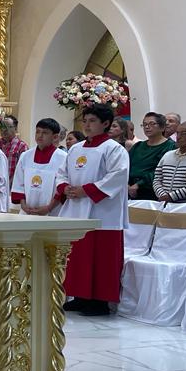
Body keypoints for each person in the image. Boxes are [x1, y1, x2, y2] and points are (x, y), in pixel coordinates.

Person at [56, 103, 130, 316]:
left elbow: (117, 177)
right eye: (85, 121)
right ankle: (79, 296)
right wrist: (66, 188)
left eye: (92, 121)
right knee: (78, 256)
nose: (87, 125)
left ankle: (99, 302)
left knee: (101, 258)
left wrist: (86, 191)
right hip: (76, 209)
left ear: (105, 124)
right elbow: (62, 173)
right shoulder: (76, 148)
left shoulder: (114, 149)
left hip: (103, 213)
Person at [11, 118, 67, 216]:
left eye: (45, 133)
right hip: (27, 211)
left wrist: (49, 208)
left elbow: (62, 187)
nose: (40, 136)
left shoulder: (63, 158)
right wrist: (23, 206)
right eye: (38, 132)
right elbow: (18, 183)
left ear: (55, 137)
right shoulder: (26, 156)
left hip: (52, 212)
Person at [153, 121, 186, 203]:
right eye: (177, 133)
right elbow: (157, 178)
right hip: (163, 204)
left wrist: (171, 197)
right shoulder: (167, 155)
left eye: (184, 133)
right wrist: (162, 196)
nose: (178, 137)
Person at [128, 112, 175, 200]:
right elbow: (127, 165)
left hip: (152, 190)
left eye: (152, 124)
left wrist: (139, 184)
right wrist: (127, 184)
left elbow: (161, 170)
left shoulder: (170, 146)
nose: (147, 127)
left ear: (162, 127)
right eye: (144, 124)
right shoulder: (138, 146)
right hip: (130, 189)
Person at [0, 115, 29, 186]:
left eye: (8, 127)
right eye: (2, 127)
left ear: (15, 128)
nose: (4, 130)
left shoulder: (22, 146)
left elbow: (23, 170)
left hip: (13, 186)